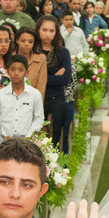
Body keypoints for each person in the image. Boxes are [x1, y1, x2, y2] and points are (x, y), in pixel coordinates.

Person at [38, 15, 74, 154]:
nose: (47, 34)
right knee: (39, 138)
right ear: (38, 30)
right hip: (37, 97)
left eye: (51, 31)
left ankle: (57, 171)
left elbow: (65, 79)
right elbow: (30, 78)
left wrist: (42, 77)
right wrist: (53, 76)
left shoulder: (62, 52)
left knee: (55, 139)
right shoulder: (34, 51)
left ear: (56, 32)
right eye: (44, 30)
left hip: (57, 99)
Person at [0, 55, 45, 138]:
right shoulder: (1, 94)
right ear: (8, 71)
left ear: (26, 73)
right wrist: (4, 135)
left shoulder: (35, 94)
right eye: (13, 69)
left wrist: (29, 136)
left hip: (27, 140)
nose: (16, 73)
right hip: (5, 140)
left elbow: (39, 118)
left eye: (21, 70)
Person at [15, 27, 48, 93]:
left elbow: (41, 87)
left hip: (32, 100)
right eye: (23, 41)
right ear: (17, 40)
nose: (27, 44)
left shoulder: (41, 59)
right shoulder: (9, 57)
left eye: (30, 42)